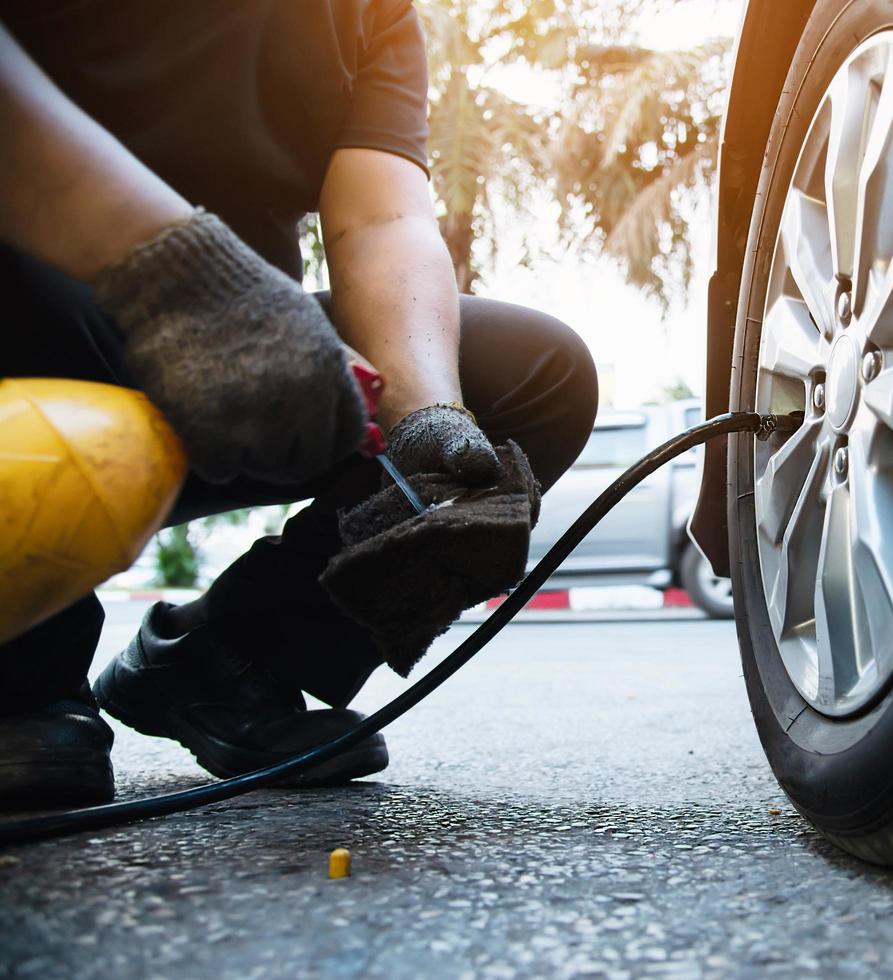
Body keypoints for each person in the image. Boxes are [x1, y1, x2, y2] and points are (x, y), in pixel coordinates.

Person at [0, 1, 599, 805]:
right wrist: (181, 279)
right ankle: (23, 681)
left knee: (536, 375)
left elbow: (382, 217)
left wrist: (428, 420)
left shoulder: (368, 15)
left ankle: (231, 660)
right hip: (38, 332)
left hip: (238, 365)